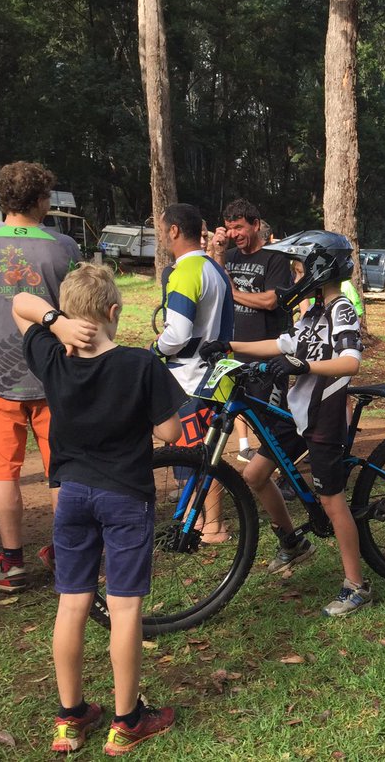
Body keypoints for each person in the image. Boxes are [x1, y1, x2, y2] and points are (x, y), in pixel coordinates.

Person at [12, 265, 183, 754]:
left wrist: (53, 322)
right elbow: (170, 434)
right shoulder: (139, 364)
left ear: (70, 313)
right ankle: (128, 719)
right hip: (126, 496)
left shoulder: (54, 357)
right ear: (114, 312)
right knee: (126, 608)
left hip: (72, 496)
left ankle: (70, 717)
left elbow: (18, 304)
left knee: (72, 602)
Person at [200, 231, 372, 616]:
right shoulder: (310, 312)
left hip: (325, 413)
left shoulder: (340, 309)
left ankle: (357, 585)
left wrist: (305, 365)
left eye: (298, 270)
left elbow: (351, 361)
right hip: (299, 411)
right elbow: (281, 345)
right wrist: (230, 346)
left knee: (331, 500)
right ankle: (294, 543)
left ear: (318, 268)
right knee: (256, 474)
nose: (294, 278)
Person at [0, 161, 81, 592]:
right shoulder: (64, 248)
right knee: (61, 467)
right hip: (54, 374)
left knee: (3, 471)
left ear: (2, 199)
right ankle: (65, 555)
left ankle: (11, 562)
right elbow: (78, 310)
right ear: (42, 200)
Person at [154, 203, 235, 544]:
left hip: (189, 378)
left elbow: (177, 334)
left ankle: (210, 524)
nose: (160, 235)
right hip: (216, 373)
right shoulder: (214, 269)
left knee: (197, 454)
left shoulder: (184, 272)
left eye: (161, 228)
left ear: (173, 230)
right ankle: (203, 519)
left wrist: (154, 350)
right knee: (209, 449)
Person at [207, 199, 293, 463]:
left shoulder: (275, 258)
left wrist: (233, 293)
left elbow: (270, 300)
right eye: (229, 228)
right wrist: (219, 252)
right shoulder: (229, 257)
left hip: (267, 355)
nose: (234, 234)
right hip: (232, 352)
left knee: (273, 422)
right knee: (226, 413)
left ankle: (288, 477)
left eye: (239, 227)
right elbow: (214, 285)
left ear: (255, 225)